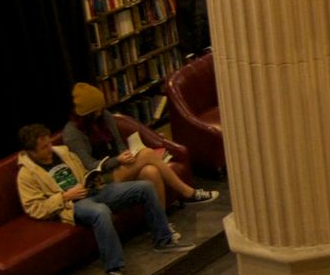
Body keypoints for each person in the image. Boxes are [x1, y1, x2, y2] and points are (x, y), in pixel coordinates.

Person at [16, 123, 188, 275]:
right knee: (101, 212)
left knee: (145, 187)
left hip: (93, 190)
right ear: (32, 152)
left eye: (49, 143)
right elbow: (34, 208)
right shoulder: (26, 175)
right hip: (73, 203)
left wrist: (93, 179)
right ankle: (114, 270)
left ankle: (163, 240)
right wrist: (64, 196)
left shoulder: (62, 152)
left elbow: (83, 171)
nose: (50, 148)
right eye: (44, 147)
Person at [63, 82, 218, 211]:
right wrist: (118, 160)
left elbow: (118, 143)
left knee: (151, 171)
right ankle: (188, 192)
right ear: (86, 113)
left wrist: (127, 155)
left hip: (119, 166)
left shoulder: (105, 117)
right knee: (146, 154)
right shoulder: (73, 133)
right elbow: (89, 166)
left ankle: (162, 226)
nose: (100, 111)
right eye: (96, 110)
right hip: (99, 180)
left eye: (101, 108)